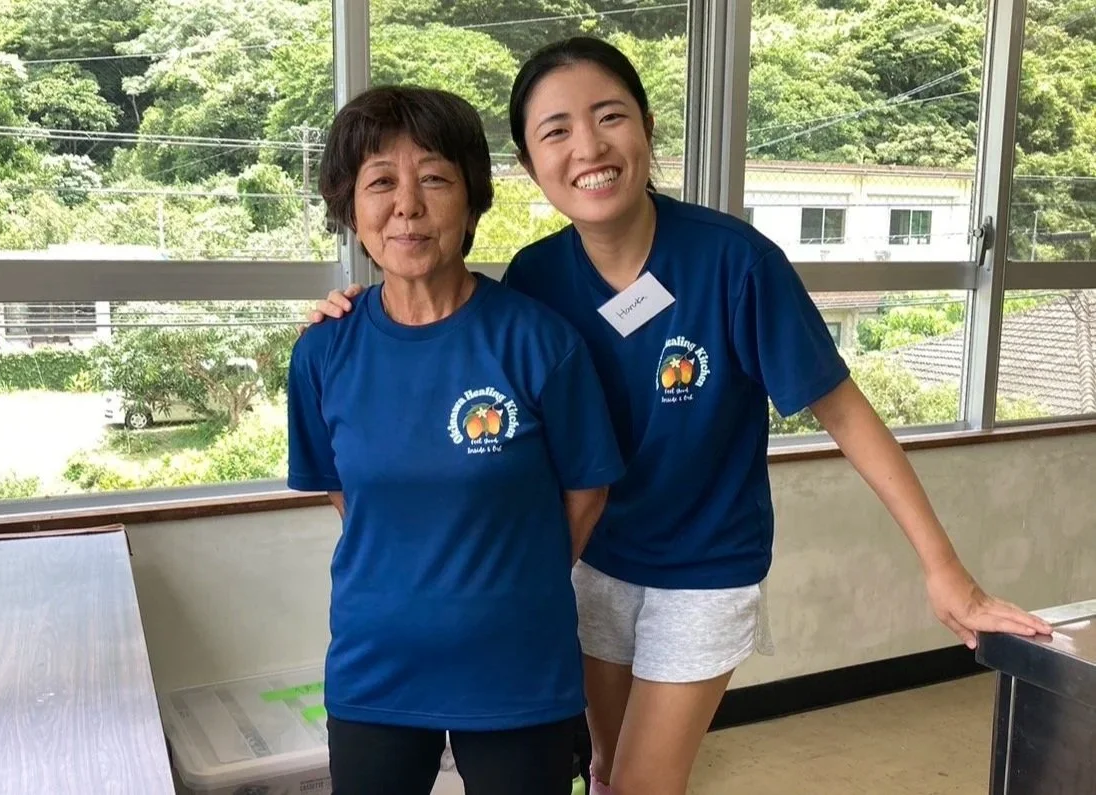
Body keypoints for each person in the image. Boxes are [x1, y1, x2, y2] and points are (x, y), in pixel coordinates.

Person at [305, 39, 1053, 795]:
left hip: (702, 569)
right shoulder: (536, 277)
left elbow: (846, 413)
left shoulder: (734, 262)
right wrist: (348, 316)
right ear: (529, 166)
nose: (588, 148)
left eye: (609, 118)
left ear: (647, 128)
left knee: (640, 784)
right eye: (555, 132)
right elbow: (449, 358)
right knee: (603, 770)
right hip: (595, 563)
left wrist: (944, 568)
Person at [287, 84, 625, 795]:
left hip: (517, 667)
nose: (407, 205)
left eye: (435, 178)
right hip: (376, 666)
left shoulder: (538, 341)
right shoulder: (323, 351)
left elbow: (588, 489)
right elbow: (348, 494)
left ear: (471, 201)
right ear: (351, 209)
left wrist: (514, 576)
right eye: (380, 182)